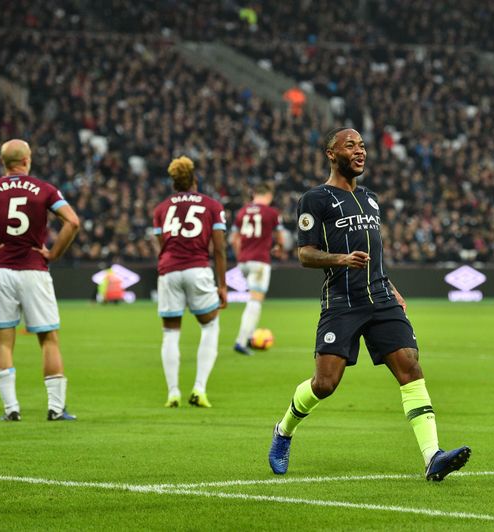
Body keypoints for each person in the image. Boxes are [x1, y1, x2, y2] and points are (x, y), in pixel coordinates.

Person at [268, 127, 471, 481]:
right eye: (350, 146)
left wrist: (390, 286)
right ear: (331, 154)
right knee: (325, 384)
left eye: (362, 145)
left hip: (380, 297)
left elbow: (374, 254)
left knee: (410, 367)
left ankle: (432, 456)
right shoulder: (314, 199)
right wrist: (341, 259)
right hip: (342, 301)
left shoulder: (371, 198)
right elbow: (305, 254)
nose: (360, 151)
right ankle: (284, 431)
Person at [0, 139, 81, 422]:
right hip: (34, 270)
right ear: (26, 160)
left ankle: (11, 409)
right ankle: (56, 409)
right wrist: (54, 254)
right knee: (49, 339)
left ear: (3, 162)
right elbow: (72, 221)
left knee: (3, 342)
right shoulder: (45, 189)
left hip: (1, 272)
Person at [153, 156, 227, 408]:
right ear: (195, 179)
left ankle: (173, 393)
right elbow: (219, 249)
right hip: (197, 269)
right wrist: (222, 285)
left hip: (169, 271)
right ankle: (199, 389)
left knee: (170, 333)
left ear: (174, 183)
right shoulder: (212, 205)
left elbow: (162, 245)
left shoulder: (161, 209)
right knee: (210, 326)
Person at [230, 182, 285, 355]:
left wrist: (240, 256)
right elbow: (280, 237)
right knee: (255, 300)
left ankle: (249, 337)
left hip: (243, 261)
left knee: (253, 298)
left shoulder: (242, 211)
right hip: (260, 261)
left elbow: (234, 239)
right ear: (268, 196)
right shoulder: (272, 213)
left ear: (254, 195)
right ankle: (241, 342)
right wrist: (279, 249)